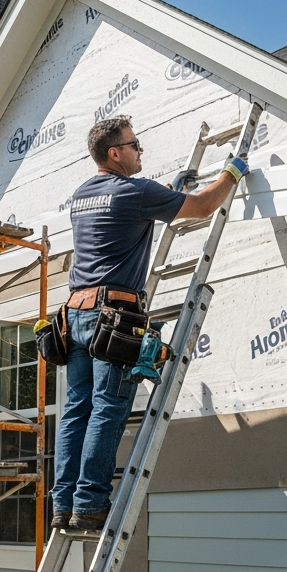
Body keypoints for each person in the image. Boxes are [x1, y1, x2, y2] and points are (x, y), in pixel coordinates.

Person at [51, 115, 248, 531]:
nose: (141, 150)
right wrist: (231, 173)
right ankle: (88, 505)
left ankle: (64, 504)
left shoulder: (82, 194)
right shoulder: (134, 192)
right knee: (107, 408)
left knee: (76, 413)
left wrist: (169, 191)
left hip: (76, 316)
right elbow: (202, 208)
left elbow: (123, 221)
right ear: (114, 152)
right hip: (113, 317)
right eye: (135, 144)